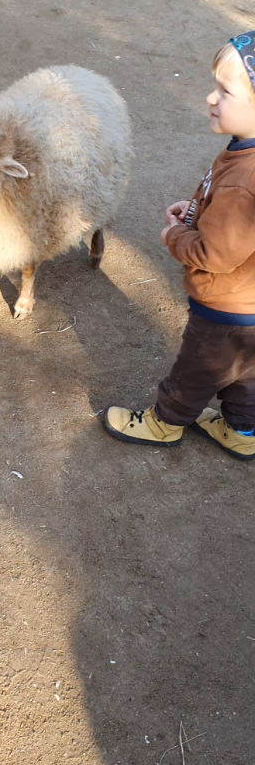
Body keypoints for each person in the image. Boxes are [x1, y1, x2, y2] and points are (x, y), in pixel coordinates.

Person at [104, 33, 255, 461]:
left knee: (196, 369)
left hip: (226, 307)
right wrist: (199, 209)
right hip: (251, 305)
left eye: (225, 91)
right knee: (245, 375)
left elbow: (215, 255)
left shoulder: (245, 179)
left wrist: (176, 236)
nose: (210, 97)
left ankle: (165, 422)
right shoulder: (245, 153)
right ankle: (242, 431)